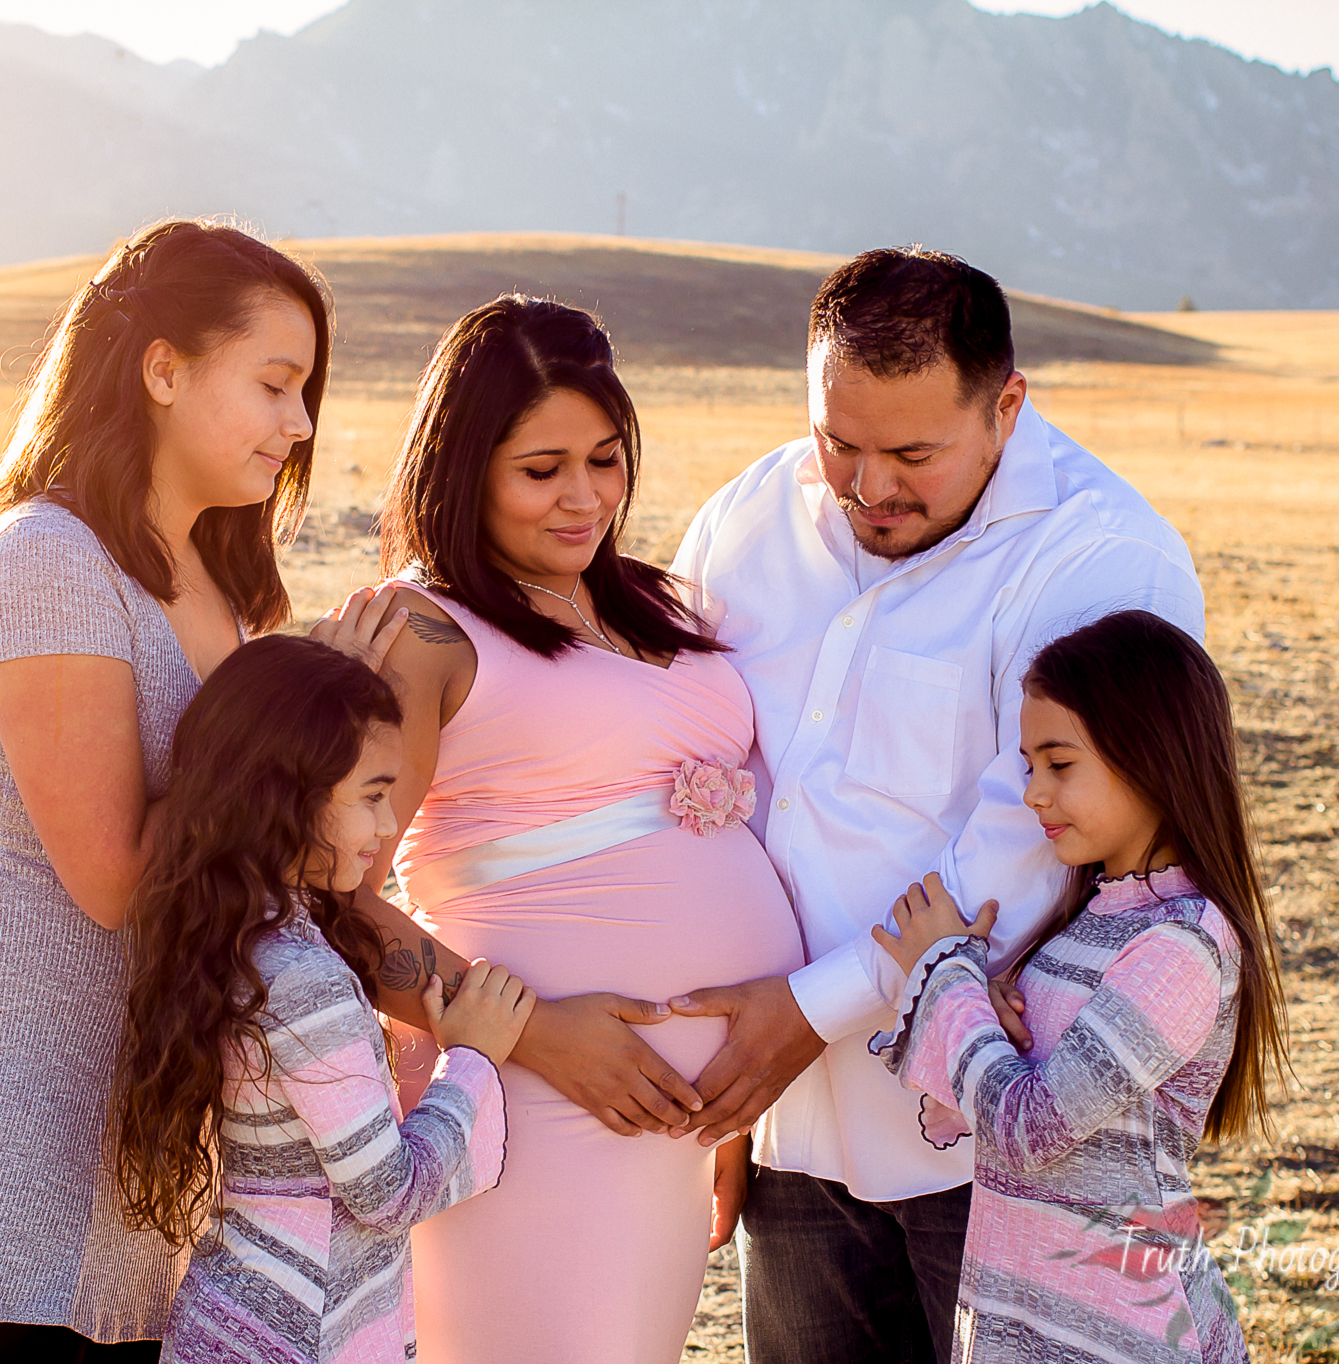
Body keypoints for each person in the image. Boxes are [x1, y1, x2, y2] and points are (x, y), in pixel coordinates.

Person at [0, 218, 399, 1357]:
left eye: (306, 393)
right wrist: (287, 720)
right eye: (276, 384)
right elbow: (114, 877)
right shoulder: (48, 560)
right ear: (161, 368)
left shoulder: (217, 578)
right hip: (21, 1072)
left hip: (137, 1086)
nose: (299, 425)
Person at [665, 248, 1208, 1361]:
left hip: (998, 1129)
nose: (867, 487)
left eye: (913, 452)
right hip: (790, 1123)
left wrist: (800, 1012)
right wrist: (719, 1079)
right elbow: (690, 765)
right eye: (839, 442)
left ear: (1006, 404)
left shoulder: (1102, 557)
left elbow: (1031, 849)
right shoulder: (747, 517)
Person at [367, 295, 807, 1362]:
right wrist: (534, 1035)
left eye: (605, 459)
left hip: (676, 1113)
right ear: (463, 466)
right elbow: (318, 894)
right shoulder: (423, 632)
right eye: (540, 468)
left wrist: (734, 1106)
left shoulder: (657, 604)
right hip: (537, 1092)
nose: (583, 497)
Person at [869, 609, 1286, 1363]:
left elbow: (1032, 1130)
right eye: (1030, 766)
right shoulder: (1088, 921)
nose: (1034, 793)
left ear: (1152, 756)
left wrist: (947, 973)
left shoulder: (1182, 946)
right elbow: (1010, 1083)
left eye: (1060, 765)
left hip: (1121, 1326)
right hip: (1025, 1312)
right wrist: (987, 1010)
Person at [109, 634, 534, 1364]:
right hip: (302, 1335)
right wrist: (473, 1059)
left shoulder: (243, 942)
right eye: (371, 796)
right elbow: (387, 1195)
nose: (389, 824)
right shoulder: (303, 984)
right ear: (288, 797)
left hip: (239, 1314)